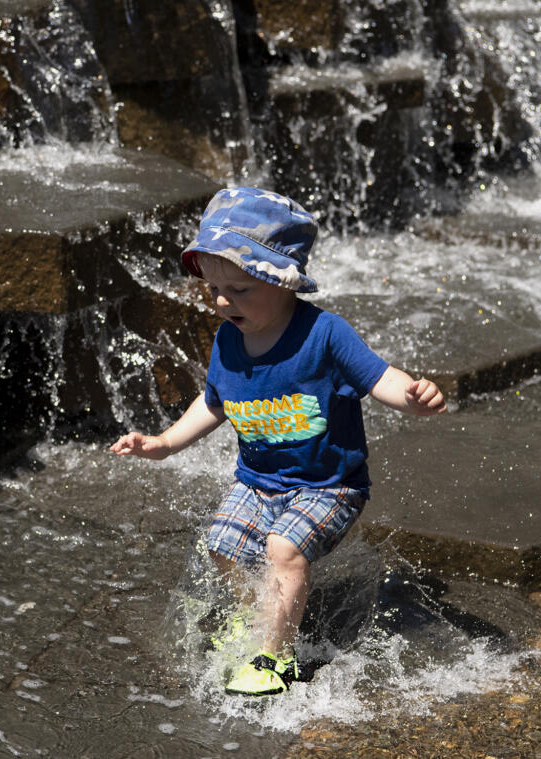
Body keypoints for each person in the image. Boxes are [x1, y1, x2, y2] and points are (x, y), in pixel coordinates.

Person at [110, 186, 446, 697]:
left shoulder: (325, 335)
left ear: (285, 280)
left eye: (240, 290)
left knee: (282, 548)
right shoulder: (228, 338)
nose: (223, 302)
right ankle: (263, 618)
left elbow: (380, 378)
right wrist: (163, 443)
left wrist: (413, 397)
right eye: (214, 289)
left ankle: (277, 659)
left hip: (329, 486)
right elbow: (215, 403)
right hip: (258, 482)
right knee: (221, 547)